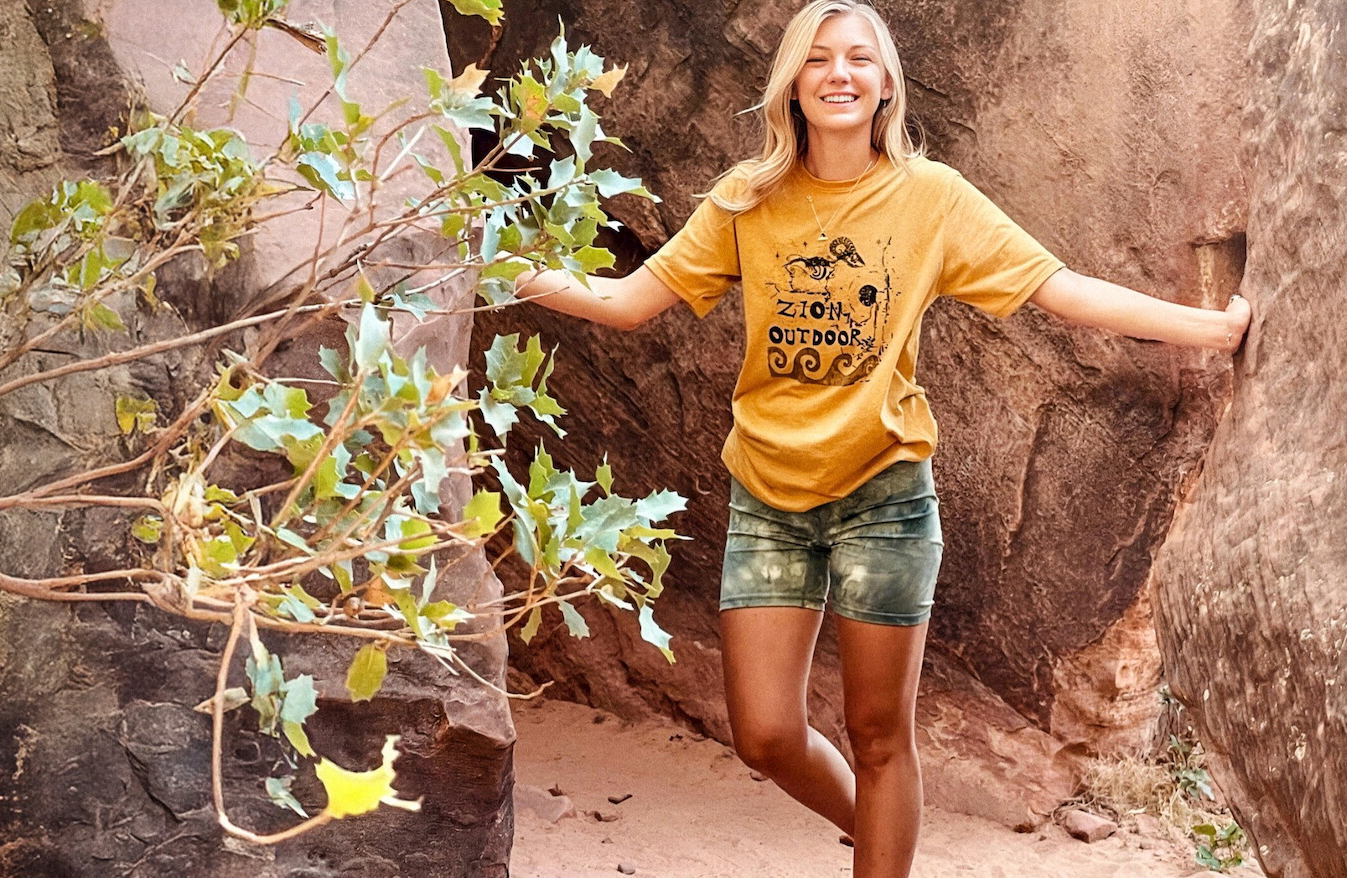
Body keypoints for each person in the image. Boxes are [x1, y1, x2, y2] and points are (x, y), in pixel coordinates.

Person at [508, 2, 1253, 875]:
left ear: (888, 83)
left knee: (878, 734)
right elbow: (626, 301)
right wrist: (487, 260)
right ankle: (883, 838)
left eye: (860, 58)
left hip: (884, 499)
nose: (839, 74)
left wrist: (1211, 330)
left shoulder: (930, 198)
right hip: (769, 496)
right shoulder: (748, 198)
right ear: (792, 85)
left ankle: (883, 855)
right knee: (765, 733)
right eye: (818, 59)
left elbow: (1058, 288)